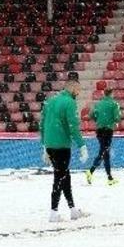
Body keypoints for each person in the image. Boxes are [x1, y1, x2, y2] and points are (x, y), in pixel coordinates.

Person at [40, 79, 89, 222]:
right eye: (78, 90)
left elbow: (42, 124)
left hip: (50, 144)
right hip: (61, 145)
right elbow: (73, 126)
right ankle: (53, 212)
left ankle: (73, 209)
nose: (79, 93)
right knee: (59, 177)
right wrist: (82, 145)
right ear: (73, 89)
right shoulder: (69, 102)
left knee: (64, 175)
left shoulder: (50, 101)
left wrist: (44, 145)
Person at [85, 87, 121, 186]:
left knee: (105, 153)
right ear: (111, 94)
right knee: (104, 152)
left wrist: (99, 120)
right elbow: (117, 118)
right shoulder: (114, 104)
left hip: (99, 130)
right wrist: (113, 121)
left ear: (104, 94)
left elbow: (91, 115)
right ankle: (91, 171)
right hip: (108, 130)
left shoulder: (98, 104)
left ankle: (109, 177)